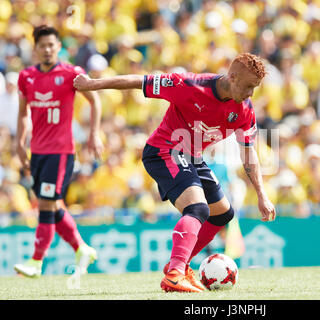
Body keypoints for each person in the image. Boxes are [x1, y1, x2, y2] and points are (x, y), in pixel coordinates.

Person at [74, 52, 276, 292]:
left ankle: (179, 264)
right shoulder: (188, 85)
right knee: (198, 208)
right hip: (163, 150)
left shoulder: (244, 109)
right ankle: (174, 274)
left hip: (192, 157)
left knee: (223, 214)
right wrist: (91, 84)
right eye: (249, 86)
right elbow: (137, 81)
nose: (251, 93)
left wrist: (262, 195)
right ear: (232, 77)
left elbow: (249, 152)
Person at [13, 25, 104, 278]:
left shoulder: (70, 73)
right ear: (36, 48)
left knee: (45, 202)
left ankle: (36, 260)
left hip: (61, 151)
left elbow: (94, 99)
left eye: (52, 45)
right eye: (42, 45)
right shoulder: (26, 77)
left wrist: (94, 133)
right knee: (52, 204)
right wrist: (19, 143)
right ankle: (81, 248)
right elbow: (22, 114)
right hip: (37, 151)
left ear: (59, 47)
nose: (47, 49)